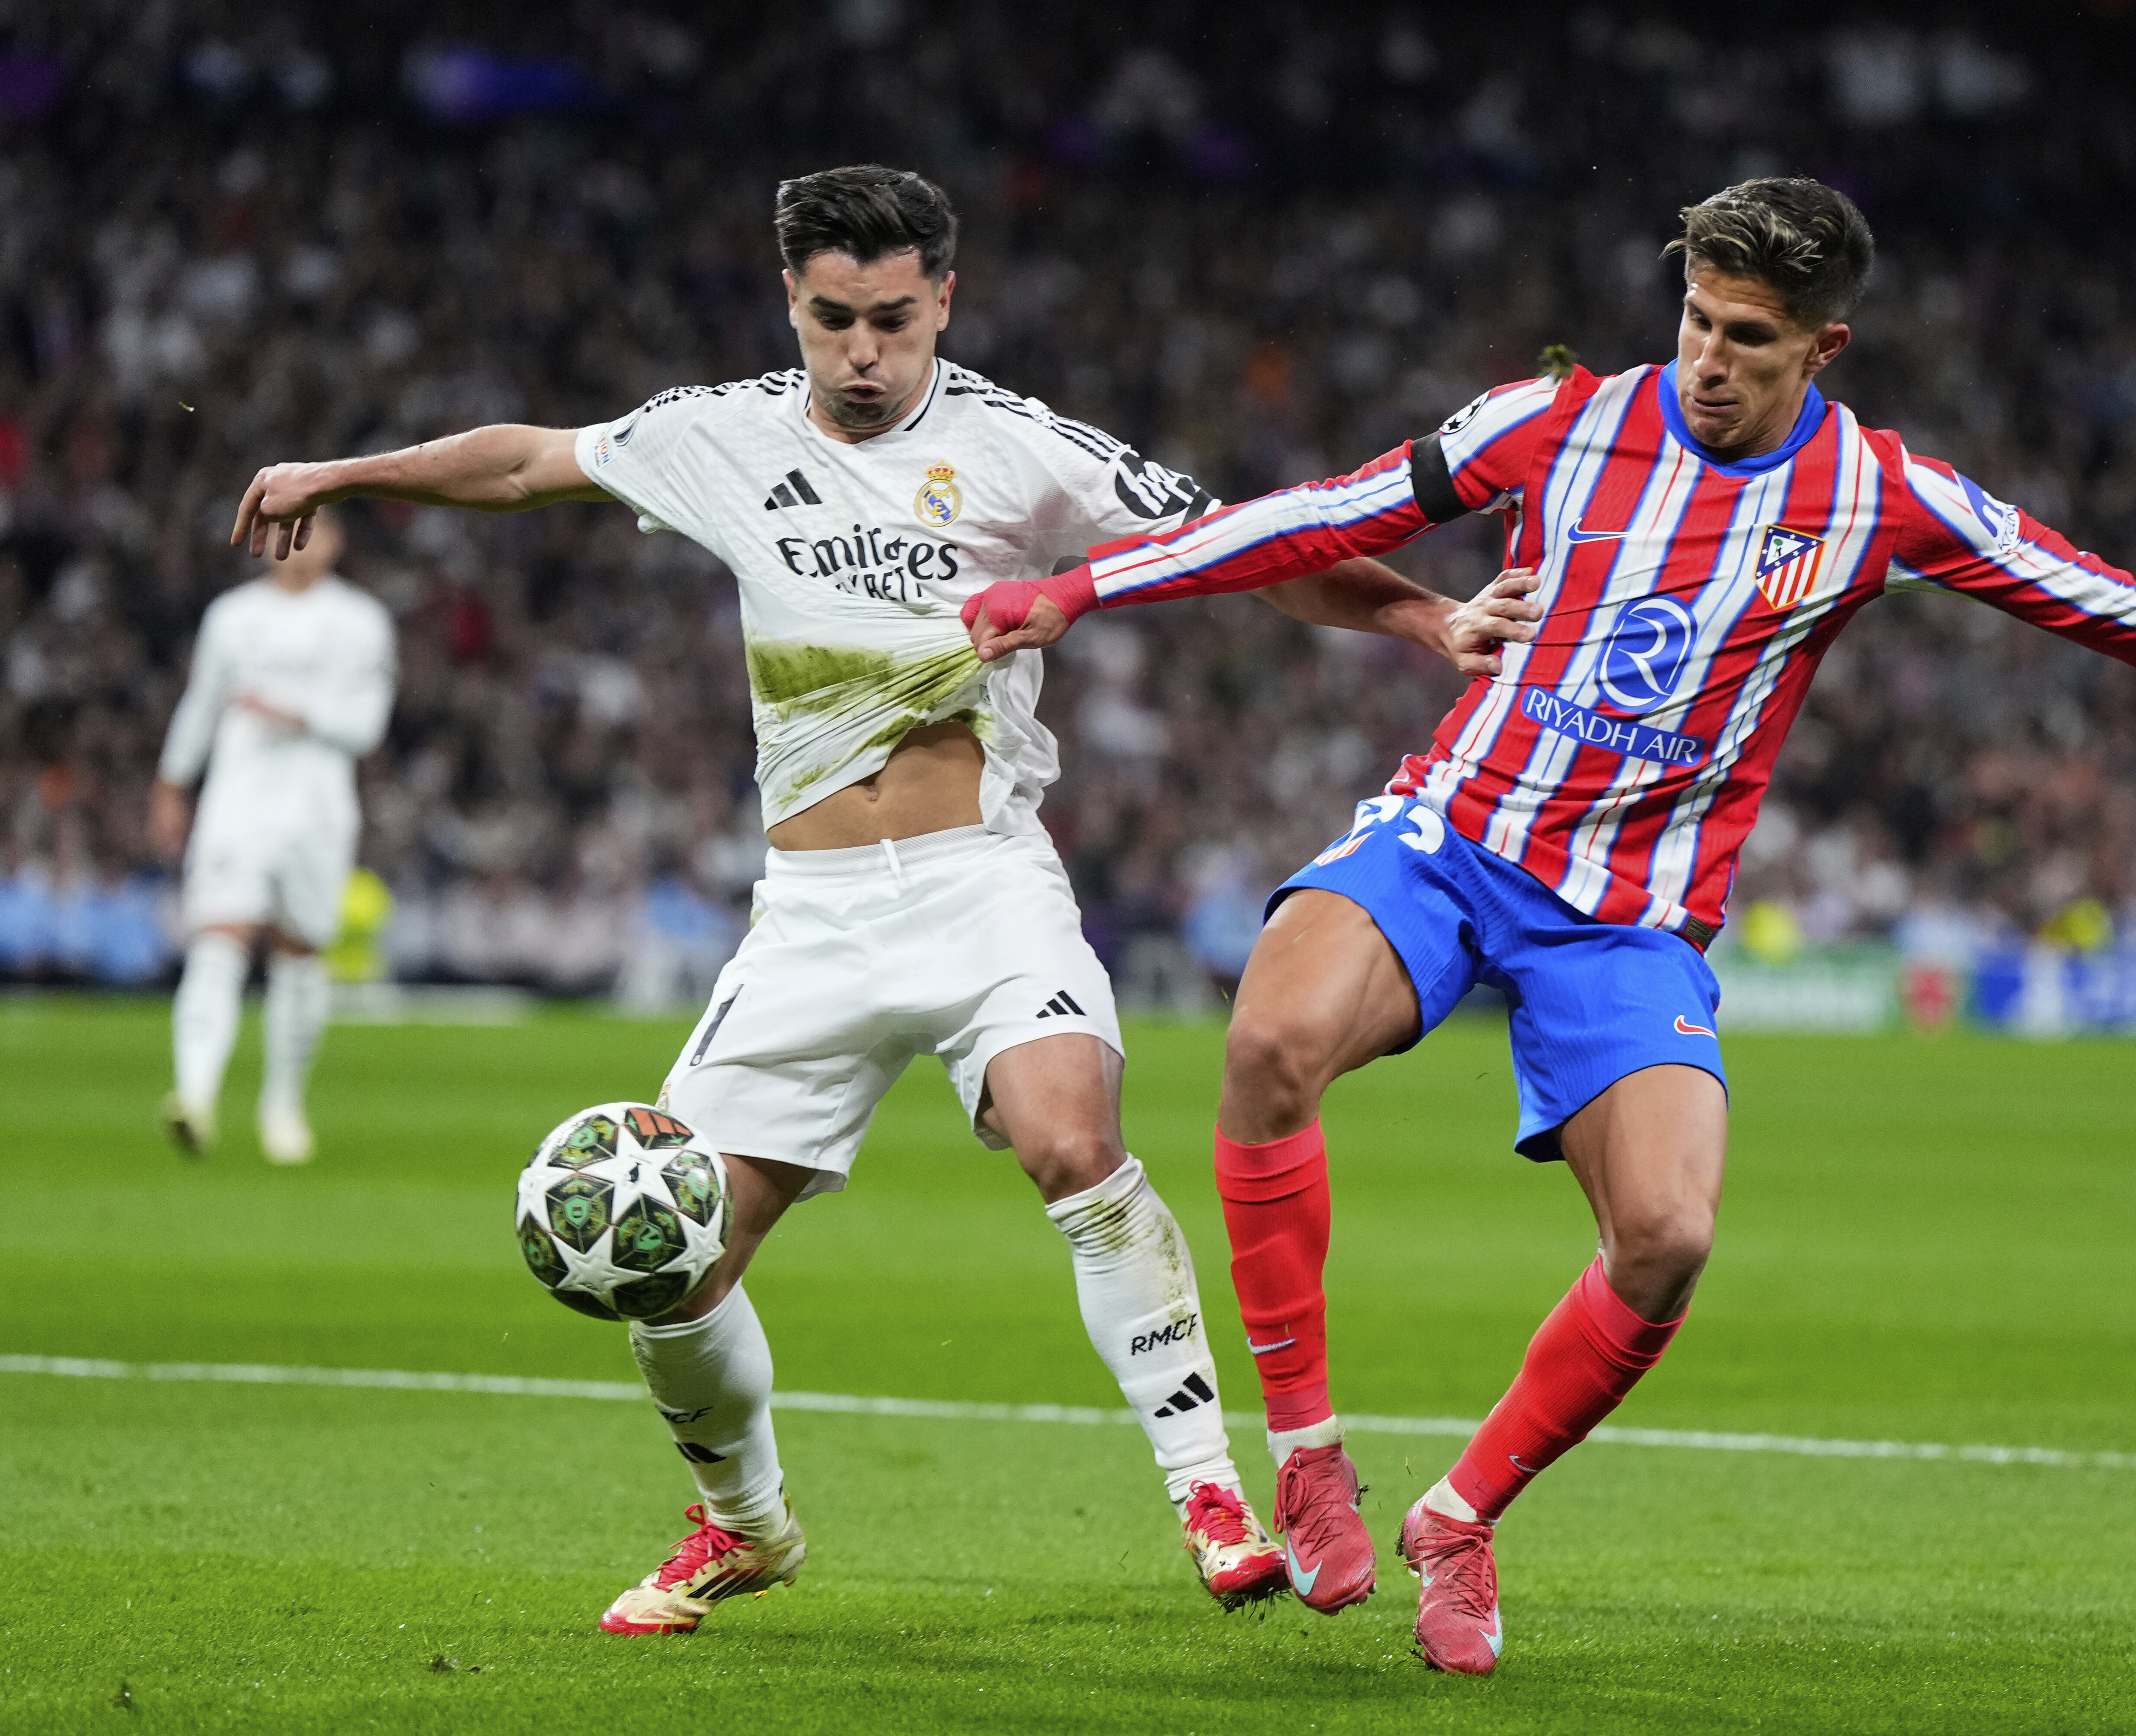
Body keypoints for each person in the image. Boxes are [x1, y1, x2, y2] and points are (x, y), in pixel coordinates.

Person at [959, 176, 2136, 1674]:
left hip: (1629, 920)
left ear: (1823, 345)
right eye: (1693, 319)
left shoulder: (1878, 495)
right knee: (1269, 1037)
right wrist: (1081, 589)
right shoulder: (1561, 421)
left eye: (1745, 336)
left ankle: (1461, 1516)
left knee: (1665, 1238)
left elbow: (2091, 594)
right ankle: (1307, 1451)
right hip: (1456, 833)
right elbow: (1323, 516)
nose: (1707, 359)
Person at [230, 164, 1464, 1635]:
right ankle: (744, 1525)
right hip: (809, 916)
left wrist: (1425, 614)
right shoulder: (719, 436)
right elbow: (524, 462)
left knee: (1070, 1137)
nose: (865, 352)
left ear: (943, 299)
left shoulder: (1023, 448)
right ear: (792, 305)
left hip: (981, 883)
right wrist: (337, 475)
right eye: (835, 321)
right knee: (671, 1258)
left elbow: (1244, 546)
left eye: (893, 319)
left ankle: (1207, 1490)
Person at [152, 507, 395, 1165]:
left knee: (300, 952)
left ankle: (283, 1105)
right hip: (238, 802)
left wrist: (299, 711)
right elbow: (201, 702)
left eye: (311, 529)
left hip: (317, 809)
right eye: (284, 530)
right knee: (218, 937)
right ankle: (194, 1096)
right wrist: (173, 783)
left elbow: (368, 724)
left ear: (337, 542)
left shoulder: (361, 622)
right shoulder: (231, 617)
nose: (293, 543)